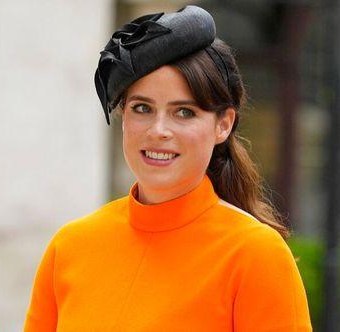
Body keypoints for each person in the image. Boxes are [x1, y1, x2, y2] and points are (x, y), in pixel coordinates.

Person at [24, 5, 311, 332]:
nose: (159, 130)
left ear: (223, 124)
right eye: (142, 108)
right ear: (123, 117)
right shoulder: (70, 247)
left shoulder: (255, 256)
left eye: (184, 112)